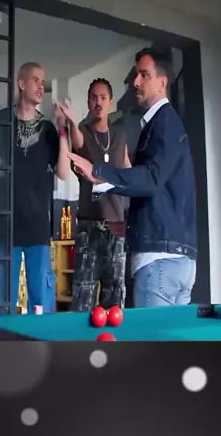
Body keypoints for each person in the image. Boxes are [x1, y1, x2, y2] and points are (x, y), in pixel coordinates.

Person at [69, 47, 197, 308]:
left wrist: (99, 172)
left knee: (151, 337)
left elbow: (151, 178)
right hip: (175, 260)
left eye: (144, 75)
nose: (135, 82)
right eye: (136, 75)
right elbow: (161, 190)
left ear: (162, 83)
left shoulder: (164, 123)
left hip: (159, 263)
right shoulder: (163, 124)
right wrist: (130, 225)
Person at [0, 62, 69, 313]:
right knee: (3, 300)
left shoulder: (47, 129)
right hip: (6, 225)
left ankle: (39, 339)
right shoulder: (3, 120)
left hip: (37, 227)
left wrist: (62, 130)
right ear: (21, 84)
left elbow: (63, 172)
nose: (41, 86)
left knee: (41, 303)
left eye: (43, 82)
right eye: (36, 80)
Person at [59, 79, 131, 311]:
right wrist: (72, 122)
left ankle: (111, 333)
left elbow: (128, 170)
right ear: (89, 103)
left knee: (115, 293)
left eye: (103, 98)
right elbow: (79, 143)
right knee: (84, 293)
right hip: (88, 225)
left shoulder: (119, 135)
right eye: (94, 98)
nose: (98, 102)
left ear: (110, 102)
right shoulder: (83, 131)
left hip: (116, 225)